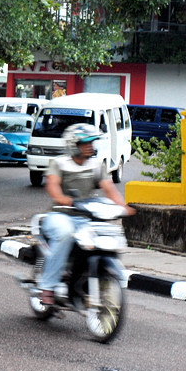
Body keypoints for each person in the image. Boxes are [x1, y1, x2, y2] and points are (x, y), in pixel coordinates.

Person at [37, 123, 135, 304]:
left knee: (104, 239)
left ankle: (90, 277)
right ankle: (47, 286)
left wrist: (123, 207)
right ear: (73, 145)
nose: (90, 146)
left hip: (85, 216)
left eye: (92, 142)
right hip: (60, 215)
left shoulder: (96, 165)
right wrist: (62, 198)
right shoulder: (59, 163)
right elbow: (52, 185)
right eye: (85, 143)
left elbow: (109, 188)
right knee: (65, 234)